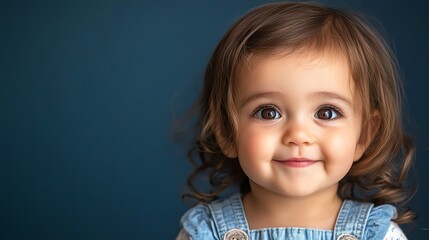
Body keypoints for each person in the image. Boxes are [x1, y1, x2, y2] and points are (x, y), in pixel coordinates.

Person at [177, 2, 415, 239]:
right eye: (268, 112)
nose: (298, 135)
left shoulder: (379, 234)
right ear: (227, 132)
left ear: (364, 135)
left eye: (326, 113)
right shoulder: (204, 233)